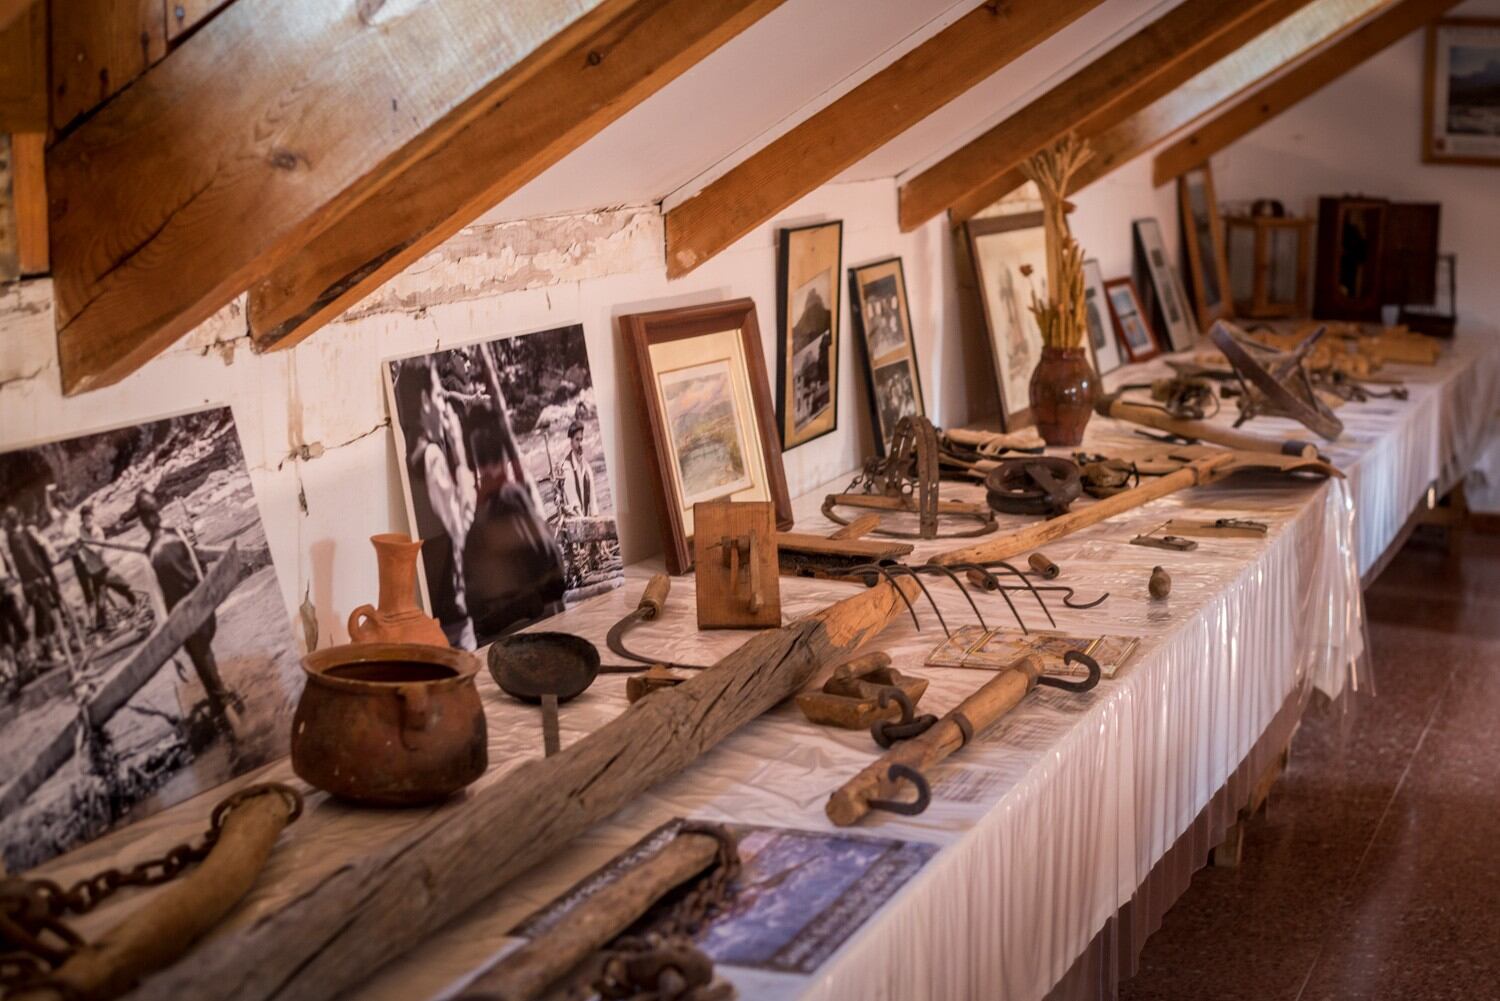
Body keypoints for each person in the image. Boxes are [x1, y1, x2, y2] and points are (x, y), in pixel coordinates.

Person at [135, 490, 238, 722]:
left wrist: (171, 647)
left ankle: (224, 707)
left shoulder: (147, 556)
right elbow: (198, 572)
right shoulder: (178, 534)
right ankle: (219, 700)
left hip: (185, 623)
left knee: (201, 659)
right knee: (205, 656)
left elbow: (159, 606)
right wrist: (208, 605)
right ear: (158, 510)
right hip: (204, 611)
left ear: (142, 521)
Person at [4, 506, 66, 664]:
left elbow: (35, 553)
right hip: (34, 581)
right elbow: (28, 559)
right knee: (45, 613)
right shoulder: (17, 537)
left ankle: (46, 646)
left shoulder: (20, 533)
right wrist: (42, 574)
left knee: (42, 614)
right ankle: (52, 650)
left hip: (32, 581)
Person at [69, 504, 138, 633]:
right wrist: (75, 548)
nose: (88, 521)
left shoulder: (97, 531)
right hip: (94, 572)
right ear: (82, 519)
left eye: (90, 518)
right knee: (100, 604)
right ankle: (103, 629)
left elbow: (99, 551)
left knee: (124, 586)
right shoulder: (80, 531)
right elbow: (77, 548)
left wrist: (86, 544)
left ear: (92, 517)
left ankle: (136, 605)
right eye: (85, 519)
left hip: (104, 569)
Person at [557, 419, 596, 519]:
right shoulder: (566, 468)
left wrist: (594, 518)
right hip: (576, 521)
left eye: (581, 439)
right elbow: (573, 503)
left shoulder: (586, 467)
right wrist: (584, 521)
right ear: (571, 442)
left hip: (586, 519)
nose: (580, 444)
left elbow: (593, 500)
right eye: (577, 440)